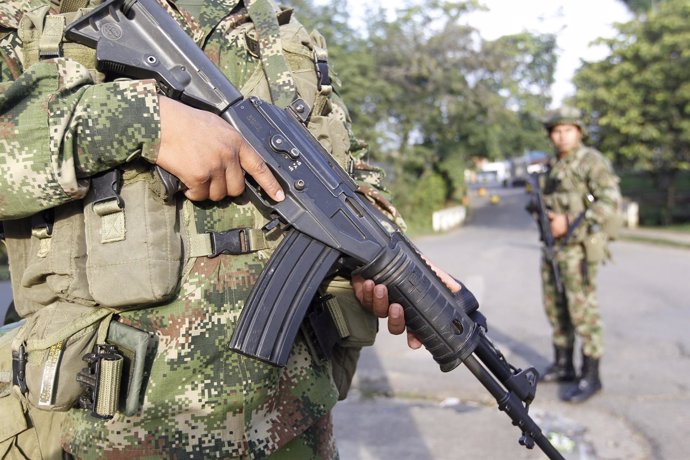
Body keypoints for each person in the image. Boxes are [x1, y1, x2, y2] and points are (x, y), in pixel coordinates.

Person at [0, 0, 461, 457]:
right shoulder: (26, 13)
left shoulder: (277, 27)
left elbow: (346, 169)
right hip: (101, 428)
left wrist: (391, 253)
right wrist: (146, 121)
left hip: (290, 425)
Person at [534, 106, 621, 404]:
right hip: (553, 249)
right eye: (556, 131)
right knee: (556, 309)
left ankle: (591, 375)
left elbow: (610, 200)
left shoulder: (590, 161)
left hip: (579, 249)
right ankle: (563, 365)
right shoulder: (551, 166)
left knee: (583, 312)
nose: (562, 136)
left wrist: (568, 222)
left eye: (568, 129)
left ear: (579, 132)